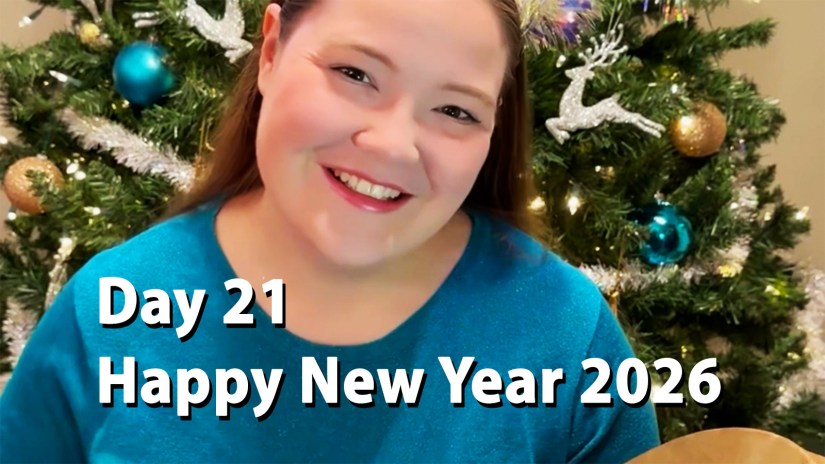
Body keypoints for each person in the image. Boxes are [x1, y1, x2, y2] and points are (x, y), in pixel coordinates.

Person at [0, 0, 661, 462]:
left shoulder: (565, 335)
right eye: (354, 74)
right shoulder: (109, 312)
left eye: (456, 110)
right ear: (270, 50)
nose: (393, 145)